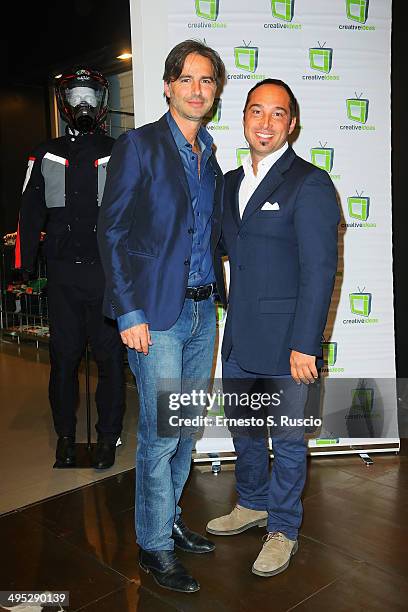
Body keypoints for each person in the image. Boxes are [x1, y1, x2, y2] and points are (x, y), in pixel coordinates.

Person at [97, 40, 226, 594]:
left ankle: (167, 518)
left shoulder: (212, 155)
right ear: (169, 86)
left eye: (207, 81)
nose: (198, 89)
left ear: (215, 92)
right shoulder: (139, 146)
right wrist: (129, 310)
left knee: (186, 428)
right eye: (188, 79)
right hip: (156, 316)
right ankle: (153, 547)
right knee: (158, 436)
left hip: (203, 311)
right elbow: (114, 231)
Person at [206, 79, 340, 577]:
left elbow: (320, 269)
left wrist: (307, 344)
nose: (265, 123)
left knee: (286, 441)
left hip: (290, 346)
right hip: (238, 337)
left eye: (277, 114)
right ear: (242, 117)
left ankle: (283, 527)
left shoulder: (310, 182)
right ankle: (254, 502)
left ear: (292, 123)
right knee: (244, 431)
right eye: (256, 112)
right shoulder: (227, 182)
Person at [15, 68, 125, 470]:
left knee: (110, 359)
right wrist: (24, 262)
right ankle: (65, 435)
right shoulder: (45, 153)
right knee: (63, 358)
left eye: (90, 96)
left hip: (107, 275)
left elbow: (135, 212)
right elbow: (29, 211)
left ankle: (108, 435)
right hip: (62, 276)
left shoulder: (119, 150)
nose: (84, 103)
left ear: (100, 101)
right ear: (64, 102)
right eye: (76, 96)